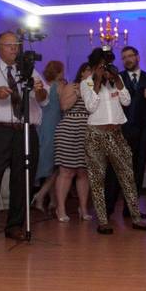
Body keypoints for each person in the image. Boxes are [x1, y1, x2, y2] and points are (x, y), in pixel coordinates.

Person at [0, 32, 48, 246]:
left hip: (25, 130)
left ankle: (15, 225)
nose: (15, 49)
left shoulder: (30, 70)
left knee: (22, 180)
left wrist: (39, 90)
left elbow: (43, 100)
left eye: (17, 45)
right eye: (9, 45)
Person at [79, 47, 146, 235]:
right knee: (98, 180)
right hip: (95, 135)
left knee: (128, 176)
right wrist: (97, 80)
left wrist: (118, 81)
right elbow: (90, 106)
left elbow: (127, 101)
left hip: (117, 134)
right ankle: (103, 221)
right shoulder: (86, 83)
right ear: (95, 66)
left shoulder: (115, 81)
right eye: (102, 66)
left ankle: (136, 218)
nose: (106, 69)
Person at [105, 46, 146, 217]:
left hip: (143, 130)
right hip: (121, 130)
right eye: (124, 57)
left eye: (130, 56)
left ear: (137, 57)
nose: (127, 59)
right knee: (116, 169)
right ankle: (108, 209)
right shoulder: (117, 79)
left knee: (137, 170)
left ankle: (131, 209)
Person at [52, 63, 93, 222]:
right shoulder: (72, 86)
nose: (91, 73)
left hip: (87, 130)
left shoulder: (96, 88)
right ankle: (60, 208)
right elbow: (64, 106)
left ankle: (83, 208)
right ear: (82, 72)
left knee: (83, 172)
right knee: (66, 171)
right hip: (69, 129)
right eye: (88, 70)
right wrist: (78, 93)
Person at [32, 60, 64, 214]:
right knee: (56, 167)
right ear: (59, 72)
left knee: (50, 164)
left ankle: (52, 201)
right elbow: (64, 107)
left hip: (42, 127)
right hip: (54, 128)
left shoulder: (44, 87)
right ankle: (40, 195)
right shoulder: (58, 87)